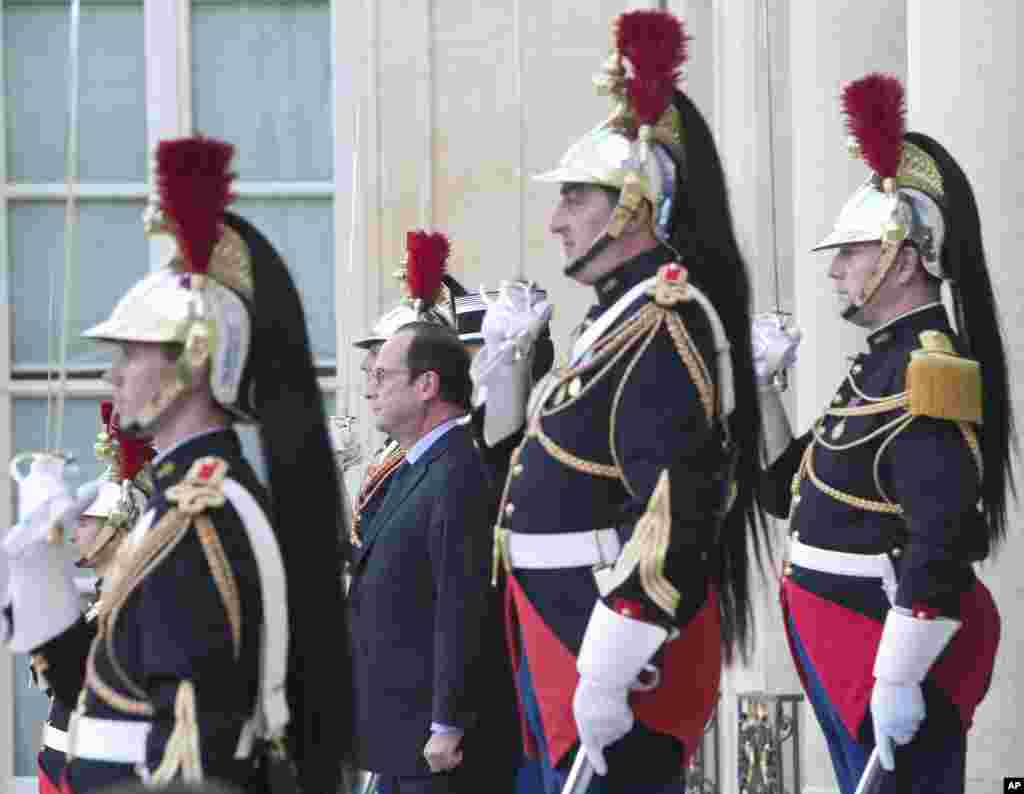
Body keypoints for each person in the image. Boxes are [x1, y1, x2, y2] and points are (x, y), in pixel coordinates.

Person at [472, 10, 769, 794]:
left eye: (576, 196)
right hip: (566, 632)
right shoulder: (617, 319)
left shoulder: (665, 322)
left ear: (633, 206)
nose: (557, 218)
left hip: (613, 648)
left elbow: (680, 498)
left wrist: (614, 653)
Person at [2, 135, 348, 794]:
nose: (115, 375)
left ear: (190, 363)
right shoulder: (173, 502)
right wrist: (39, 564)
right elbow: (102, 684)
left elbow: (197, 738)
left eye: (131, 354)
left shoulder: (204, 513)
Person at [756, 73, 1012, 794]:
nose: (836, 271)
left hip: (891, 659)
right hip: (844, 655)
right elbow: (785, 492)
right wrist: (762, 388)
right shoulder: (881, 365)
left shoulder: (932, 369)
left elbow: (941, 537)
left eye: (851, 253)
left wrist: (898, 673)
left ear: (901, 258)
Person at [347, 319, 494, 794]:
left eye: (383, 375)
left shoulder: (456, 470)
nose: (372, 388)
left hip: (433, 745)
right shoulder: (417, 467)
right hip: (398, 733)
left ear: (427, 385)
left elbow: (460, 601)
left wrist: (446, 721)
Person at [31, 402, 155, 794]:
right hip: (57, 766)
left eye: (85, 522)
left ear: (118, 528)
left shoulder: (131, 607)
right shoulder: (96, 606)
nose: (74, 533)